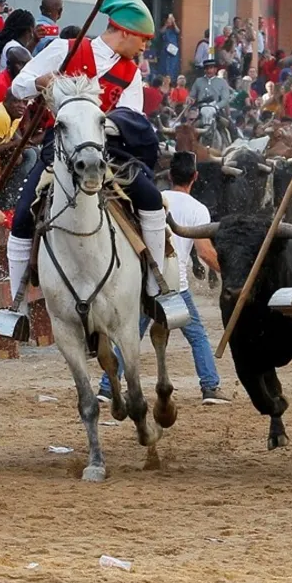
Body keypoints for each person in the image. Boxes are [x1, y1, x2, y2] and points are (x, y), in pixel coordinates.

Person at [0, 0, 169, 335]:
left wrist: (95, 122)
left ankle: (156, 286)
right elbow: (18, 85)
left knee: (150, 200)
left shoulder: (130, 73)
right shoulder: (66, 49)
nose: (145, 47)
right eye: (144, 39)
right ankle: (17, 305)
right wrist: (47, 82)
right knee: (24, 215)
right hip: (58, 149)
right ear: (125, 32)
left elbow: (131, 116)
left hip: (108, 152)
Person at [97, 152, 229, 405]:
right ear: (195, 177)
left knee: (130, 335)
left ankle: (106, 387)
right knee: (198, 336)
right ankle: (210, 387)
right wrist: (231, 273)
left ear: (169, 175)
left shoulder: (156, 198)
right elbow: (205, 253)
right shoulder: (198, 209)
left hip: (145, 281)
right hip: (175, 286)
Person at [155, 13, 182, 81]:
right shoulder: (165, 28)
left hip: (173, 50)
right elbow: (161, 32)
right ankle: (163, 79)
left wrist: (174, 22)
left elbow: (178, 31)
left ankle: (172, 79)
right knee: (165, 66)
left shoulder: (174, 29)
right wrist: (166, 24)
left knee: (173, 67)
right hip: (165, 50)